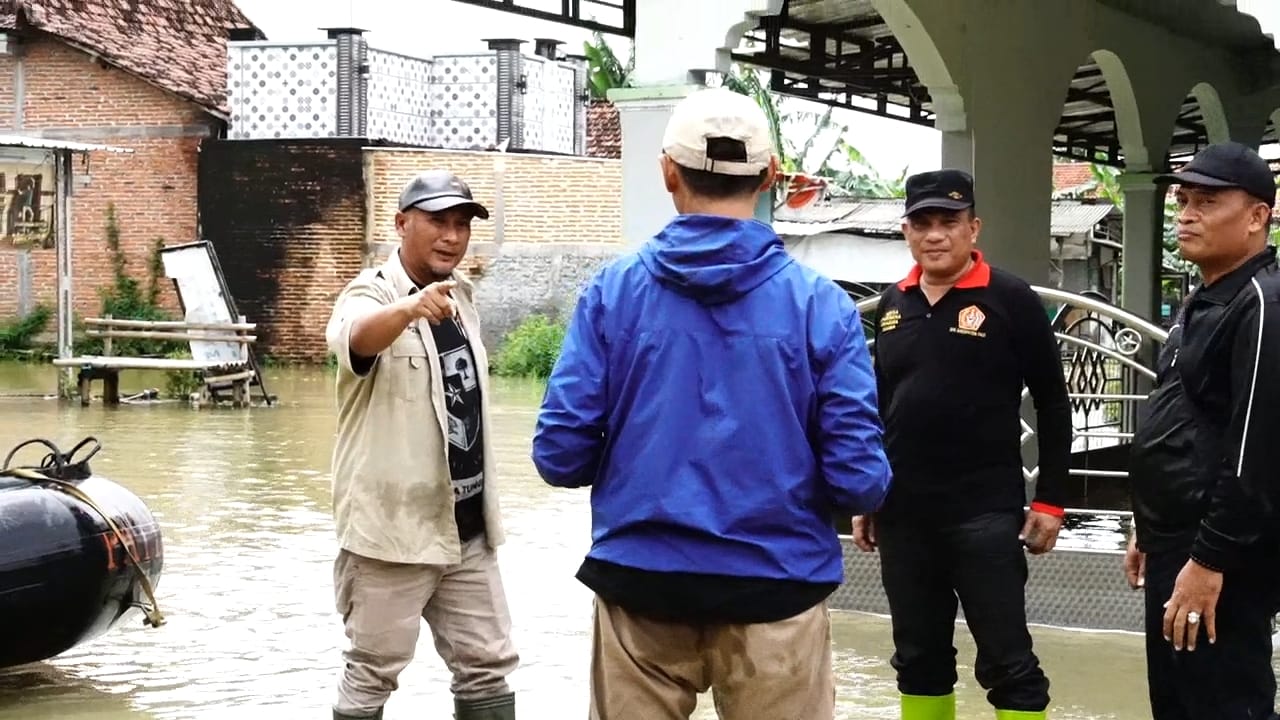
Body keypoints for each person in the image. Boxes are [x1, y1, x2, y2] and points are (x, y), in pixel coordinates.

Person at [530, 86, 892, 720]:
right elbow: (860, 481)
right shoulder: (820, 307)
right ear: (769, 177)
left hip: (640, 589)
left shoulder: (613, 295)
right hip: (777, 589)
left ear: (668, 171)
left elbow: (560, 455)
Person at [853, 169, 1073, 720]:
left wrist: (1050, 500)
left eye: (948, 222)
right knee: (918, 657)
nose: (935, 235)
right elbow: (882, 406)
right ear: (905, 230)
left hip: (983, 515)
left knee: (1008, 663)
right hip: (903, 515)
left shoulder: (1011, 298)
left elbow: (1052, 402)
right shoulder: (892, 304)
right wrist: (867, 494)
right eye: (921, 222)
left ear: (973, 227)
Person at [323, 170, 519, 720]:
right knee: (372, 670)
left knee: (489, 664)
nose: (452, 237)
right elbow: (357, 337)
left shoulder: (462, 298)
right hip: (392, 531)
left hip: (466, 529)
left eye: (461, 225)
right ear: (402, 223)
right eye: (438, 222)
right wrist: (409, 309)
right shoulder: (371, 292)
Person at [1126, 140, 1280, 720]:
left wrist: (1210, 560)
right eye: (1183, 199)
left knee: (1223, 700)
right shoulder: (1204, 300)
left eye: (1208, 201)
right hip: (1177, 543)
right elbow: (1182, 420)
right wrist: (1147, 528)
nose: (1187, 213)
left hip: (1221, 554)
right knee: (1177, 698)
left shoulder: (1263, 303)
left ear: (1257, 216)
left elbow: (1256, 451)